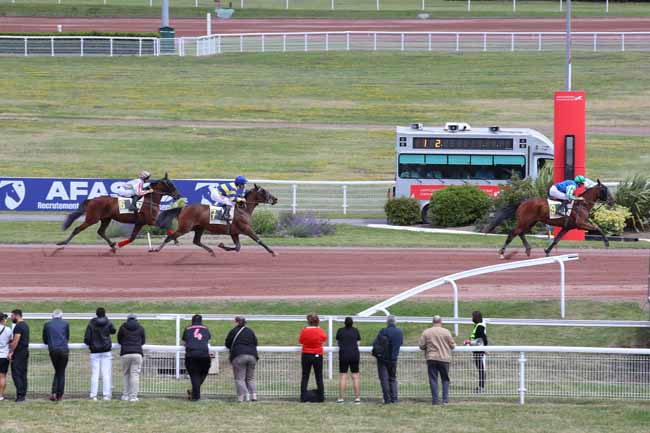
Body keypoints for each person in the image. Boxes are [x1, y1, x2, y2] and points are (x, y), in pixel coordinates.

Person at [419, 315, 456, 405]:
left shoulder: (426, 332)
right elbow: (452, 345)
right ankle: (445, 400)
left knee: (433, 379)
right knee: (445, 379)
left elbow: (421, 346)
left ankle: (435, 400)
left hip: (431, 358)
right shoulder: (446, 332)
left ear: (433, 322)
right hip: (444, 358)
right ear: (441, 322)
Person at [84, 307, 116, 401]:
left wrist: (90, 345)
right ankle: (106, 395)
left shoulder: (91, 323)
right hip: (106, 350)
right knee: (106, 374)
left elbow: (87, 338)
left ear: (96, 314)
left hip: (94, 352)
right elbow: (113, 331)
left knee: (95, 374)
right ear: (104, 313)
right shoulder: (107, 322)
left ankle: (93, 395)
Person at [225, 316, 258, 402]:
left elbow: (228, 344)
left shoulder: (233, 331)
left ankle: (242, 396)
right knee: (250, 378)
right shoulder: (250, 331)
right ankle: (254, 396)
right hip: (252, 356)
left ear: (236, 322)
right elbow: (255, 342)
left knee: (239, 378)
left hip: (239, 356)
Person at [372, 315, 403, 404]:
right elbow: (400, 343)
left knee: (384, 379)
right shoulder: (399, 332)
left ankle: (387, 399)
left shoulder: (383, 331)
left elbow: (375, 343)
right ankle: (394, 399)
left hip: (382, 359)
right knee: (392, 378)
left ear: (387, 322)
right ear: (395, 322)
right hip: (393, 359)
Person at [298, 313, 327, 402]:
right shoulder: (320, 331)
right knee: (319, 376)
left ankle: (303, 396)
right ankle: (321, 396)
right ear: (317, 321)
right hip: (317, 355)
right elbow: (324, 338)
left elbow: (301, 341)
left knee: (305, 376)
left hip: (306, 354)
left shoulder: (305, 331)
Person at [182, 314, 212, 401]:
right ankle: (195, 395)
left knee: (194, 375)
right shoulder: (206, 329)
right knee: (203, 373)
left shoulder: (187, 329)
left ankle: (195, 394)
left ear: (192, 321)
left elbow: (184, 342)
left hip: (191, 355)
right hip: (204, 354)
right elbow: (208, 339)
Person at [42, 309, 70, 401]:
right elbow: (67, 337)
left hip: (53, 350)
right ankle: (59, 395)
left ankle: (54, 393)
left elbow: (45, 339)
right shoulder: (65, 324)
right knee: (60, 372)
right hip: (63, 350)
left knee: (58, 371)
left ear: (52, 316)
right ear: (61, 316)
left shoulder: (47, 324)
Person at [117, 313, 146, 402]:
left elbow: (119, 339)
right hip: (137, 353)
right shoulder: (141, 328)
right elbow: (143, 341)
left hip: (125, 353)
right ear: (136, 319)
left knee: (126, 374)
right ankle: (133, 397)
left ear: (128, 319)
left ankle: (125, 395)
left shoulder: (123, 327)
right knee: (135, 375)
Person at [335, 317, 361, 404]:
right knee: (355, 376)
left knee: (343, 376)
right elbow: (358, 343)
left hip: (343, 355)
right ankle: (357, 398)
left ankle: (341, 398)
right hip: (354, 355)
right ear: (352, 323)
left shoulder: (340, 330)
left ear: (344, 323)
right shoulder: (356, 330)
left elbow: (338, 342)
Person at [464, 310, 488, 394]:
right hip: (477, 350)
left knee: (481, 369)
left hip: (479, 351)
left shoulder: (480, 327)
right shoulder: (478, 325)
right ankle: (481, 387)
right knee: (481, 369)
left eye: (472, 317)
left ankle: (481, 388)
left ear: (476, 318)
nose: (471, 318)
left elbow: (483, 339)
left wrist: (470, 342)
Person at [9, 309, 29, 402]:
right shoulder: (25, 325)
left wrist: (11, 351)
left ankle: (20, 395)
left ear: (16, 315)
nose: (11, 317)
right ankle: (23, 394)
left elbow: (16, 341)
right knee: (23, 374)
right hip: (25, 352)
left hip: (19, 353)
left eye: (12, 315)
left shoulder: (18, 326)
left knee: (16, 374)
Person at [0, 312, 13, 401]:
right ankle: (0, 395)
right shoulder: (8, 330)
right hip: (4, 356)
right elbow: (10, 342)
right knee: (2, 376)